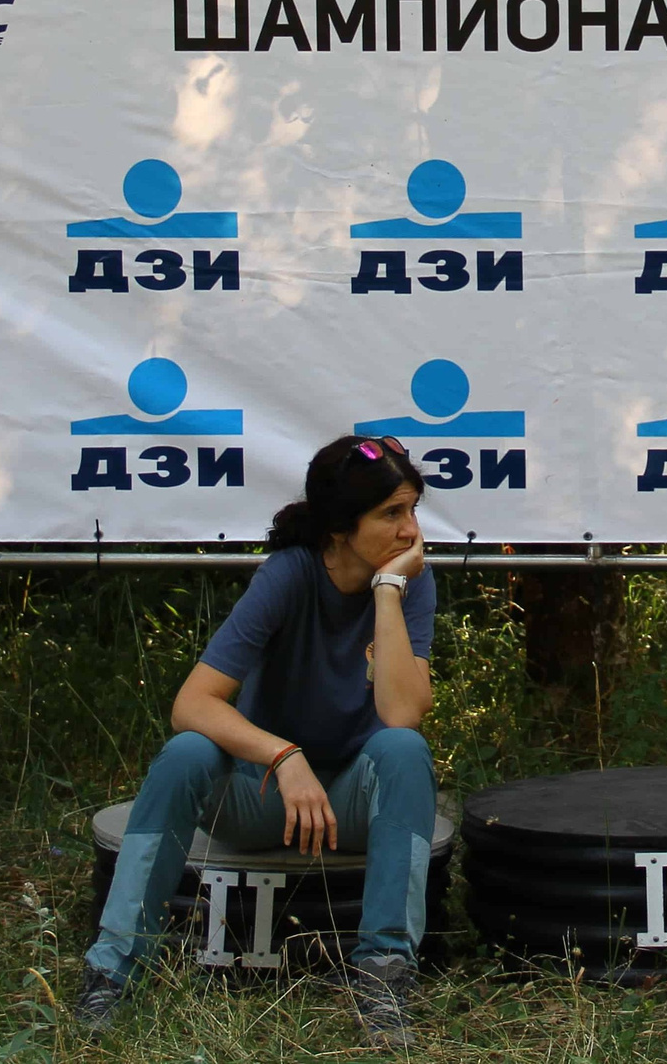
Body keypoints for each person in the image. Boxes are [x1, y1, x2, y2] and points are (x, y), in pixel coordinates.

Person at [75, 436, 438, 1047]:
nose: (410, 531)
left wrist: (386, 592)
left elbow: (401, 715)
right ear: (339, 528)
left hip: (348, 802)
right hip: (262, 797)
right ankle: (112, 970)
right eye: (390, 514)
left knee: (404, 753)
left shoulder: (408, 585)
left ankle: (384, 975)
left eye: (413, 512)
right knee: (187, 751)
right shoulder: (289, 575)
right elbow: (191, 704)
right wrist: (283, 755)